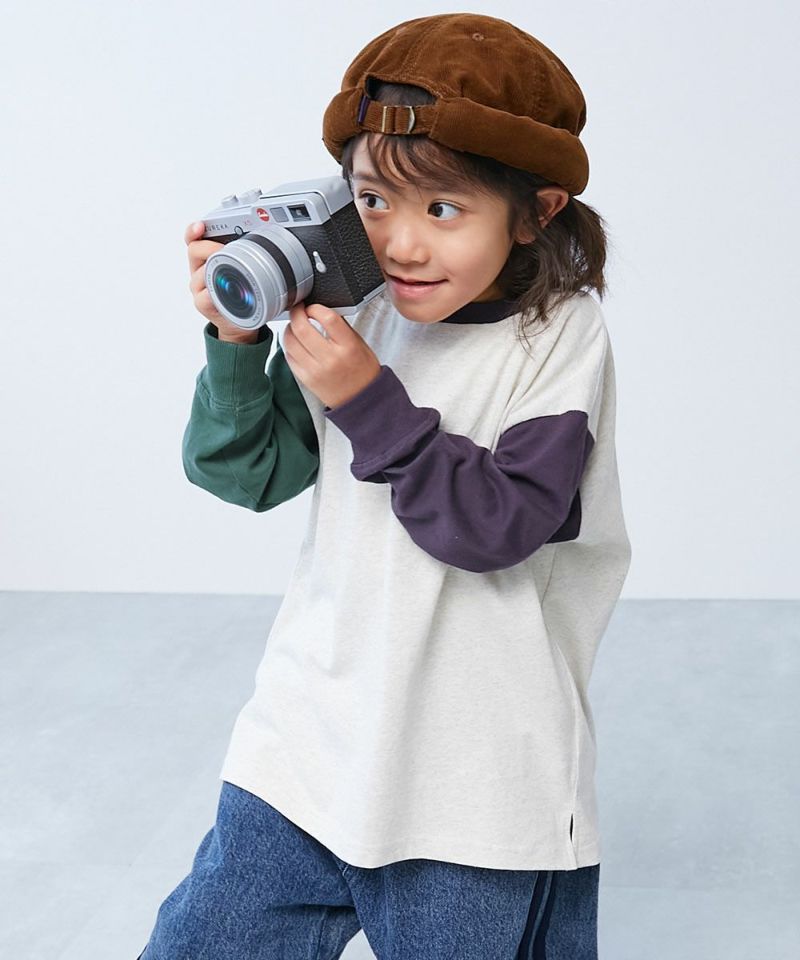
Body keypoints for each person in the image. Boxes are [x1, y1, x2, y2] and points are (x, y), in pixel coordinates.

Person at [138, 12, 632, 960]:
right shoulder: (361, 306)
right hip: (308, 741)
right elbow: (250, 475)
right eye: (372, 200)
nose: (400, 244)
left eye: (442, 210)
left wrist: (369, 400)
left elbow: (498, 525)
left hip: (472, 778)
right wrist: (236, 340)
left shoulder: (558, 338)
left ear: (538, 210)